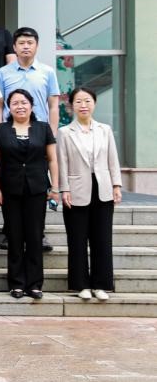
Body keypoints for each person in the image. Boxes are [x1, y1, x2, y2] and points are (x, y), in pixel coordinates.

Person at [57, 85, 123, 301]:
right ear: (71, 106)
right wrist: (64, 188)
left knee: (102, 238)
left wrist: (116, 185)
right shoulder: (65, 132)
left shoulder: (105, 129)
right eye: (78, 101)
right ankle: (80, 285)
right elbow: (62, 162)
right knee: (77, 239)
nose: (83, 105)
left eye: (87, 101)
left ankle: (101, 285)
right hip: (76, 190)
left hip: (103, 189)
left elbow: (112, 159)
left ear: (94, 103)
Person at [0, 88, 59, 299]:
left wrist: (55, 187)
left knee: (34, 236)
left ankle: (35, 284)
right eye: (15, 103)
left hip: (37, 189)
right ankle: (16, 283)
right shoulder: (0, 130)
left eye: (24, 102)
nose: (20, 106)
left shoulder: (43, 128)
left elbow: (52, 160)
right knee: (14, 236)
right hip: (10, 189)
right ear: (9, 107)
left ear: (31, 105)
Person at [0, 27, 62, 127]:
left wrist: (52, 133)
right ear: (14, 47)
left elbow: (53, 107)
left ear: (37, 46)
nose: (26, 46)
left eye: (30, 43)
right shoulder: (3, 72)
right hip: (10, 129)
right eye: (21, 43)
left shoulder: (48, 72)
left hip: (39, 128)